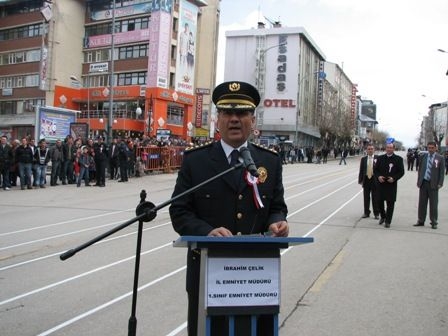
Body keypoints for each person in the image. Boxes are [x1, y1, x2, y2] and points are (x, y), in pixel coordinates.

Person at [169, 81, 289, 336]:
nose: (234, 119)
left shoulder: (269, 161)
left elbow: (277, 207)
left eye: (242, 113)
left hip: (257, 274)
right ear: (217, 119)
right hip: (207, 269)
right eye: (227, 113)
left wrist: (277, 222)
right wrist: (206, 231)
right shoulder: (196, 161)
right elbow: (179, 211)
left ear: (253, 120)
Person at [414, 142, 445, 229]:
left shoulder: (440, 158)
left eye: (432, 148)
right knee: (422, 203)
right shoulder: (423, 157)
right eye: (429, 148)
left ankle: (434, 221)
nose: (430, 149)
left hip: (434, 184)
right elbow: (420, 170)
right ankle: (421, 220)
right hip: (423, 183)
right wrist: (419, 181)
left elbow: (442, 172)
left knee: (433, 204)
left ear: (436, 148)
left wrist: (440, 183)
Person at [373, 142, 405, 228]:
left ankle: (388, 221)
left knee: (390, 203)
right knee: (379, 201)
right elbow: (375, 170)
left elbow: (401, 172)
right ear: (385, 148)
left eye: (391, 148)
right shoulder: (380, 158)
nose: (389, 149)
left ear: (393, 149)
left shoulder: (398, 159)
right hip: (381, 183)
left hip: (391, 184)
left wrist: (394, 178)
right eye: (387, 147)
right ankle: (383, 216)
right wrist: (378, 176)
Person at [358, 144, 379, 219]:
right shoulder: (363, 159)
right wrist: (360, 180)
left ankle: (376, 213)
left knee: (375, 198)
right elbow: (361, 170)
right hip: (366, 180)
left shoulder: (378, 158)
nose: (370, 150)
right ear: (367, 150)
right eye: (369, 149)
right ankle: (366, 212)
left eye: (371, 149)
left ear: (374, 150)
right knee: (366, 197)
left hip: (375, 180)